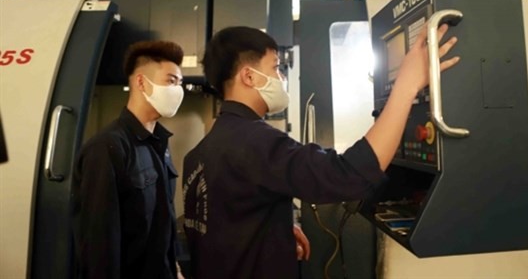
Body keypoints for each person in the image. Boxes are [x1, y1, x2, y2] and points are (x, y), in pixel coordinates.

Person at [182, 25, 459, 278]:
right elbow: (347, 176)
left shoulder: (199, 153)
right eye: (276, 67)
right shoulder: (255, 141)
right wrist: (407, 86)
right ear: (249, 76)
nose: (280, 77)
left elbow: (225, 223)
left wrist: (275, 230)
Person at [72, 40, 186, 279]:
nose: (178, 90)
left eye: (180, 83)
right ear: (142, 82)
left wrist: (174, 267)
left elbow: (162, 222)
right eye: (171, 81)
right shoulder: (106, 148)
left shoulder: (159, 143)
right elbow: (99, 245)